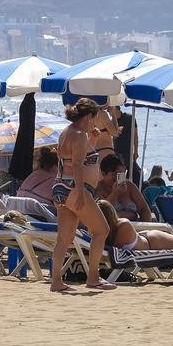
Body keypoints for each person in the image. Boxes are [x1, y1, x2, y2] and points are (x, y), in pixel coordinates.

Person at [51, 97, 116, 292]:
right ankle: (94, 277)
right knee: (101, 230)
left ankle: (56, 281)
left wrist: (93, 141)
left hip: (61, 186)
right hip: (74, 187)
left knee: (64, 238)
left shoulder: (67, 132)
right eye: (94, 118)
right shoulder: (79, 134)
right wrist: (80, 192)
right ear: (89, 116)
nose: (95, 122)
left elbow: (73, 159)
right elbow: (78, 164)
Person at [95, 153, 153, 221]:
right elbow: (102, 212)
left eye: (121, 173)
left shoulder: (130, 186)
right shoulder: (98, 189)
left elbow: (144, 209)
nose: (118, 177)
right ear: (104, 174)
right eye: (114, 174)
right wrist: (115, 194)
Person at [110, 105, 141, 184]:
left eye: (109, 111)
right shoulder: (111, 122)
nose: (109, 113)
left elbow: (135, 135)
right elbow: (111, 138)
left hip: (128, 151)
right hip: (117, 152)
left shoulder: (129, 118)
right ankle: (122, 188)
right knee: (121, 174)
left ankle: (137, 191)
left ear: (116, 109)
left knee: (137, 173)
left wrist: (136, 151)